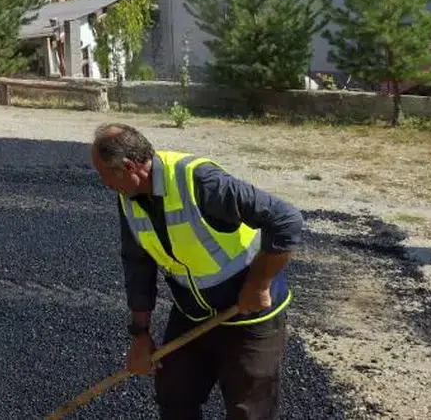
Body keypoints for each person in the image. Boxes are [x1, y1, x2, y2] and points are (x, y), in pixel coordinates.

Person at [90, 123, 304, 420]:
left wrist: (259, 283)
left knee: (249, 411)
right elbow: (137, 261)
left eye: (104, 175)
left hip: (248, 314)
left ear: (128, 167)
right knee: (174, 393)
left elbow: (286, 220)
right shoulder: (128, 195)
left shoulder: (200, 181)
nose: (105, 184)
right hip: (193, 314)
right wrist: (140, 335)